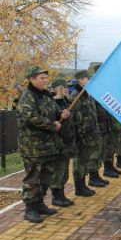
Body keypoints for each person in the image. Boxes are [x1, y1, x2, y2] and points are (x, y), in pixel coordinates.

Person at [17, 65, 70, 223]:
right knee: (33, 179)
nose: (45, 80)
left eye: (46, 78)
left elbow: (54, 110)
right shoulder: (27, 97)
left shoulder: (46, 96)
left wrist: (62, 113)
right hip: (33, 147)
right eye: (42, 78)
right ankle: (30, 209)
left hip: (48, 146)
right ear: (32, 79)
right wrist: (52, 125)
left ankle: (39, 204)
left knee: (46, 177)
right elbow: (30, 117)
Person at [71, 70, 101, 196]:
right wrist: (81, 134)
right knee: (79, 162)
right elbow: (76, 119)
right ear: (80, 80)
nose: (89, 80)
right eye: (87, 78)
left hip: (89, 135)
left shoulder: (86, 95)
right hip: (80, 136)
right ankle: (79, 187)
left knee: (85, 161)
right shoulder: (76, 95)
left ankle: (83, 184)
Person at [50, 77, 76, 207]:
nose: (66, 89)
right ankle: (56, 196)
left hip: (67, 140)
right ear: (56, 88)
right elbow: (52, 118)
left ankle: (61, 194)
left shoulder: (66, 101)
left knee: (64, 171)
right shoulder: (52, 102)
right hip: (58, 142)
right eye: (63, 87)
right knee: (58, 170)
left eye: (66, 87)